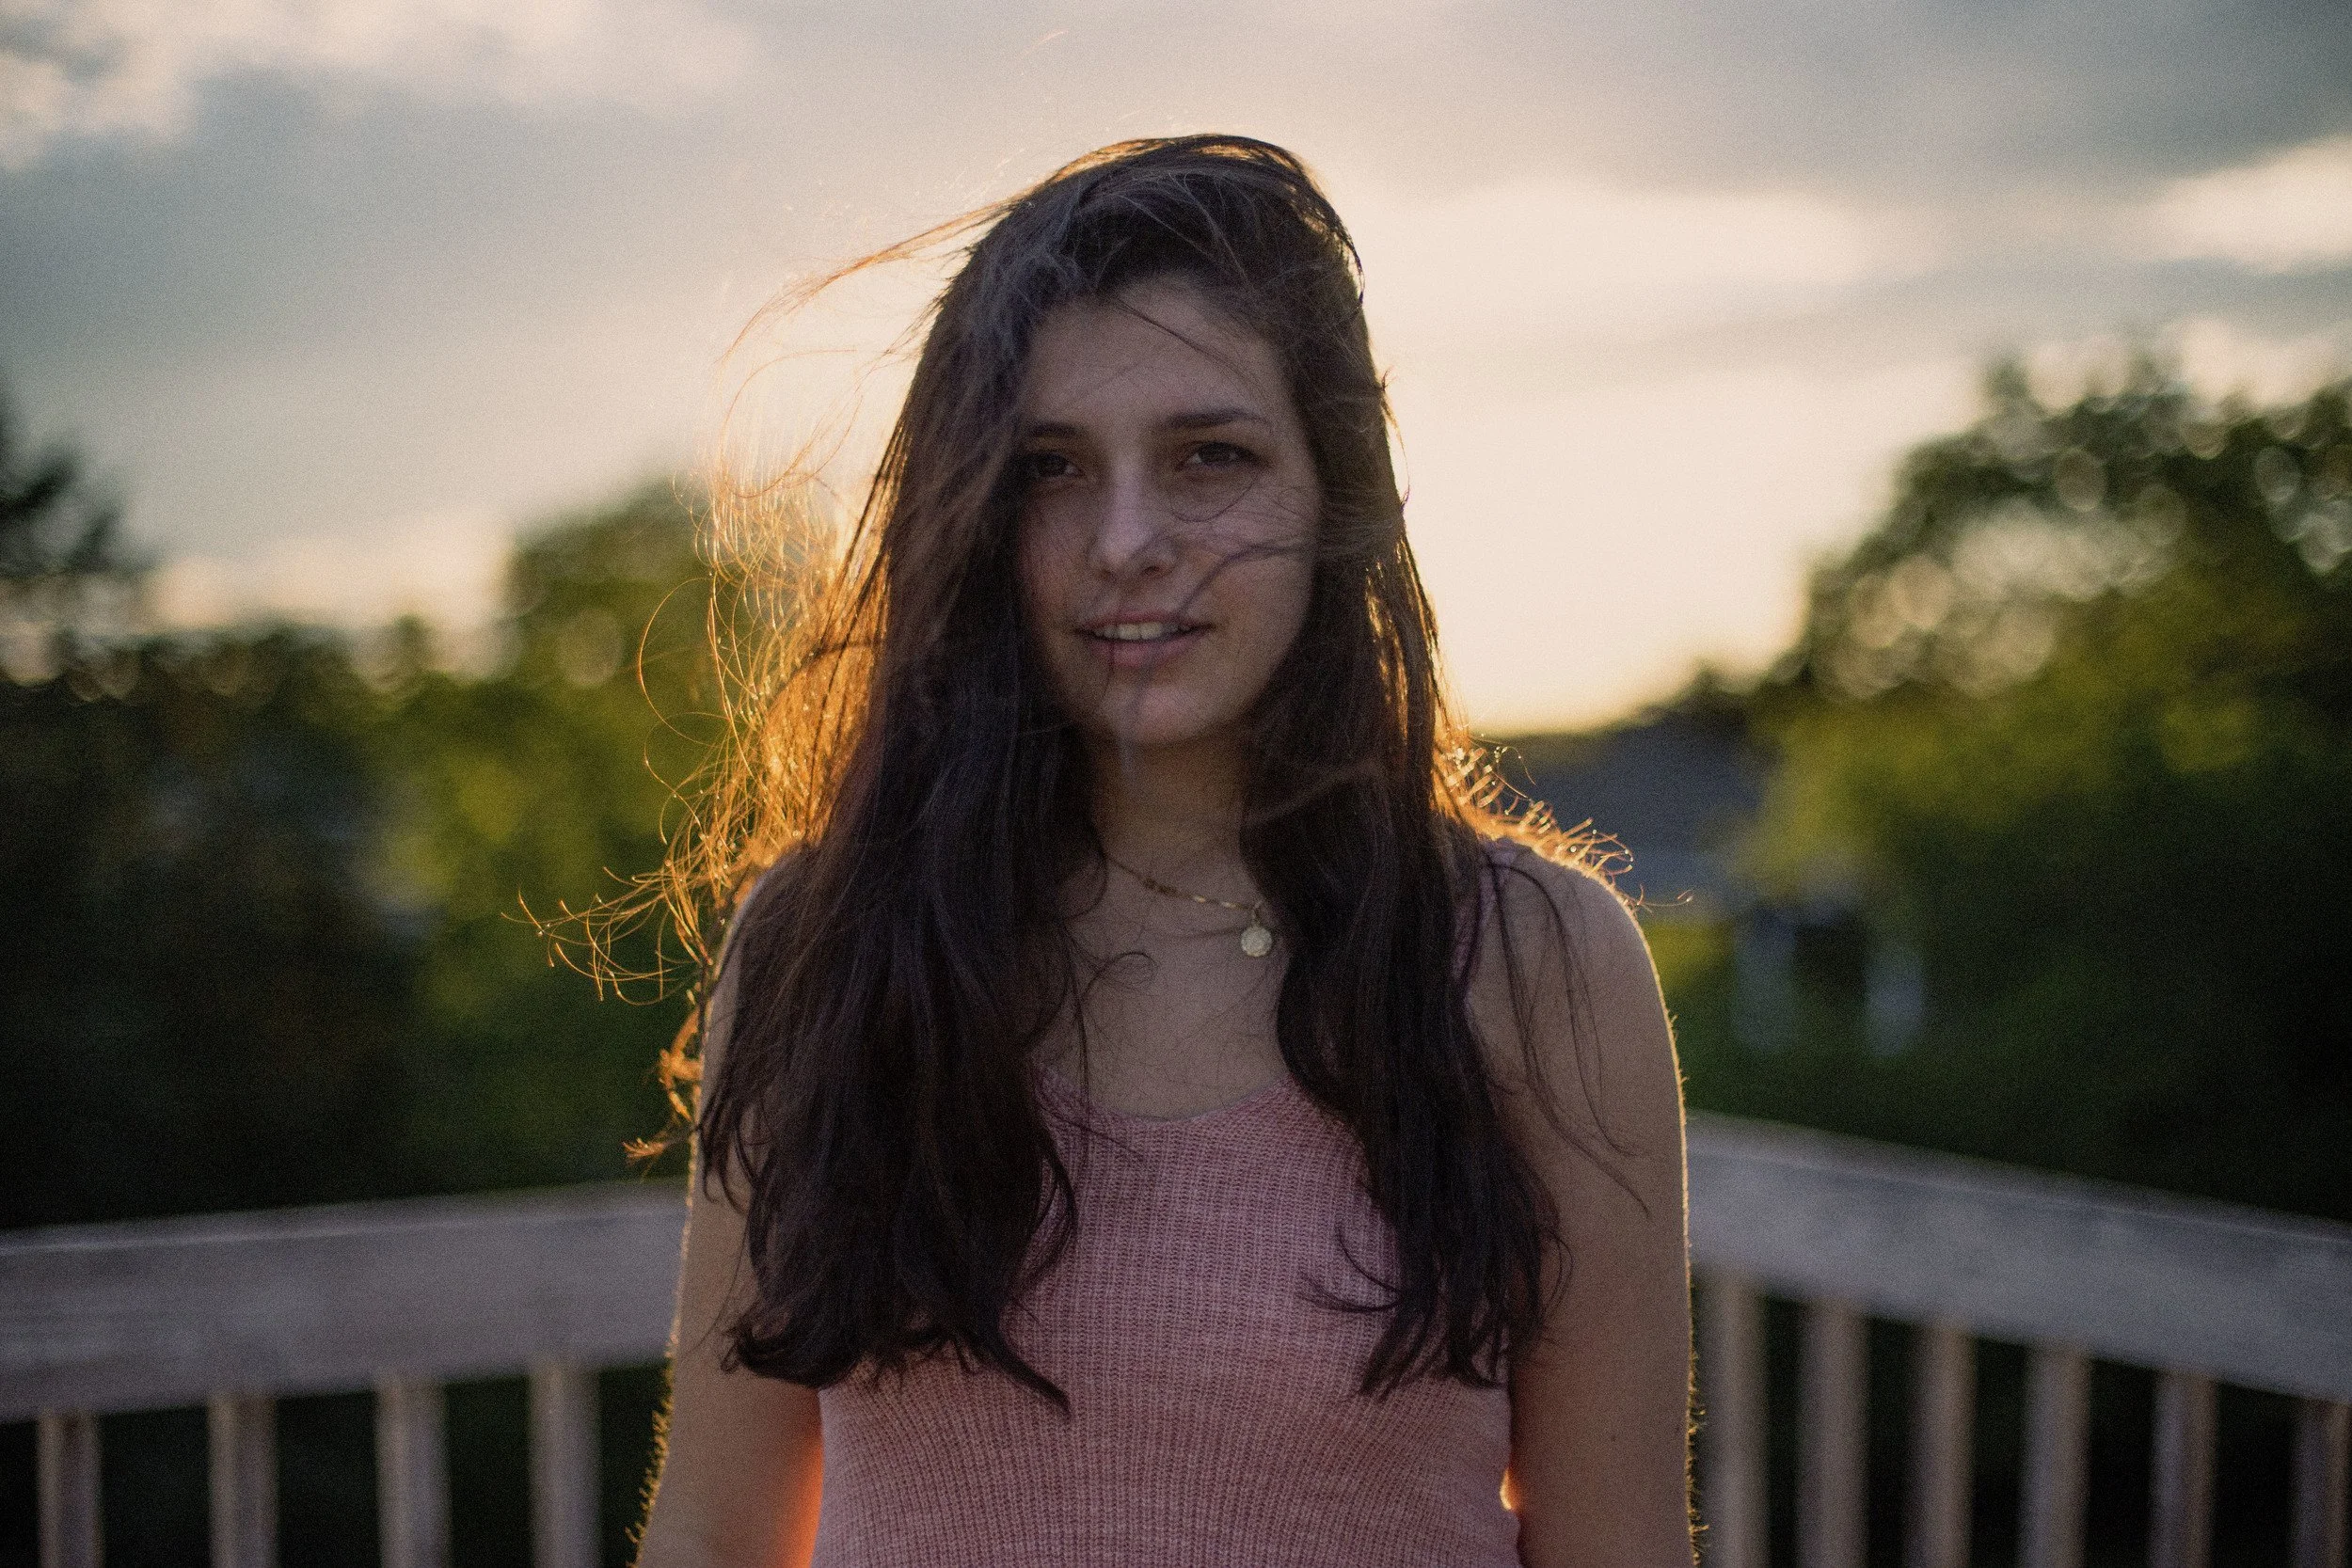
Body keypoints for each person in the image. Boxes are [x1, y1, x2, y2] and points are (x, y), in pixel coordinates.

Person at [633, 135, 1694, 1567]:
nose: (1127, 538)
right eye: (1054, 469)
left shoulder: (1537, 963)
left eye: (1212, 458)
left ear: (1336, 487)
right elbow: (713, 1538)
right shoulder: (825, 947)